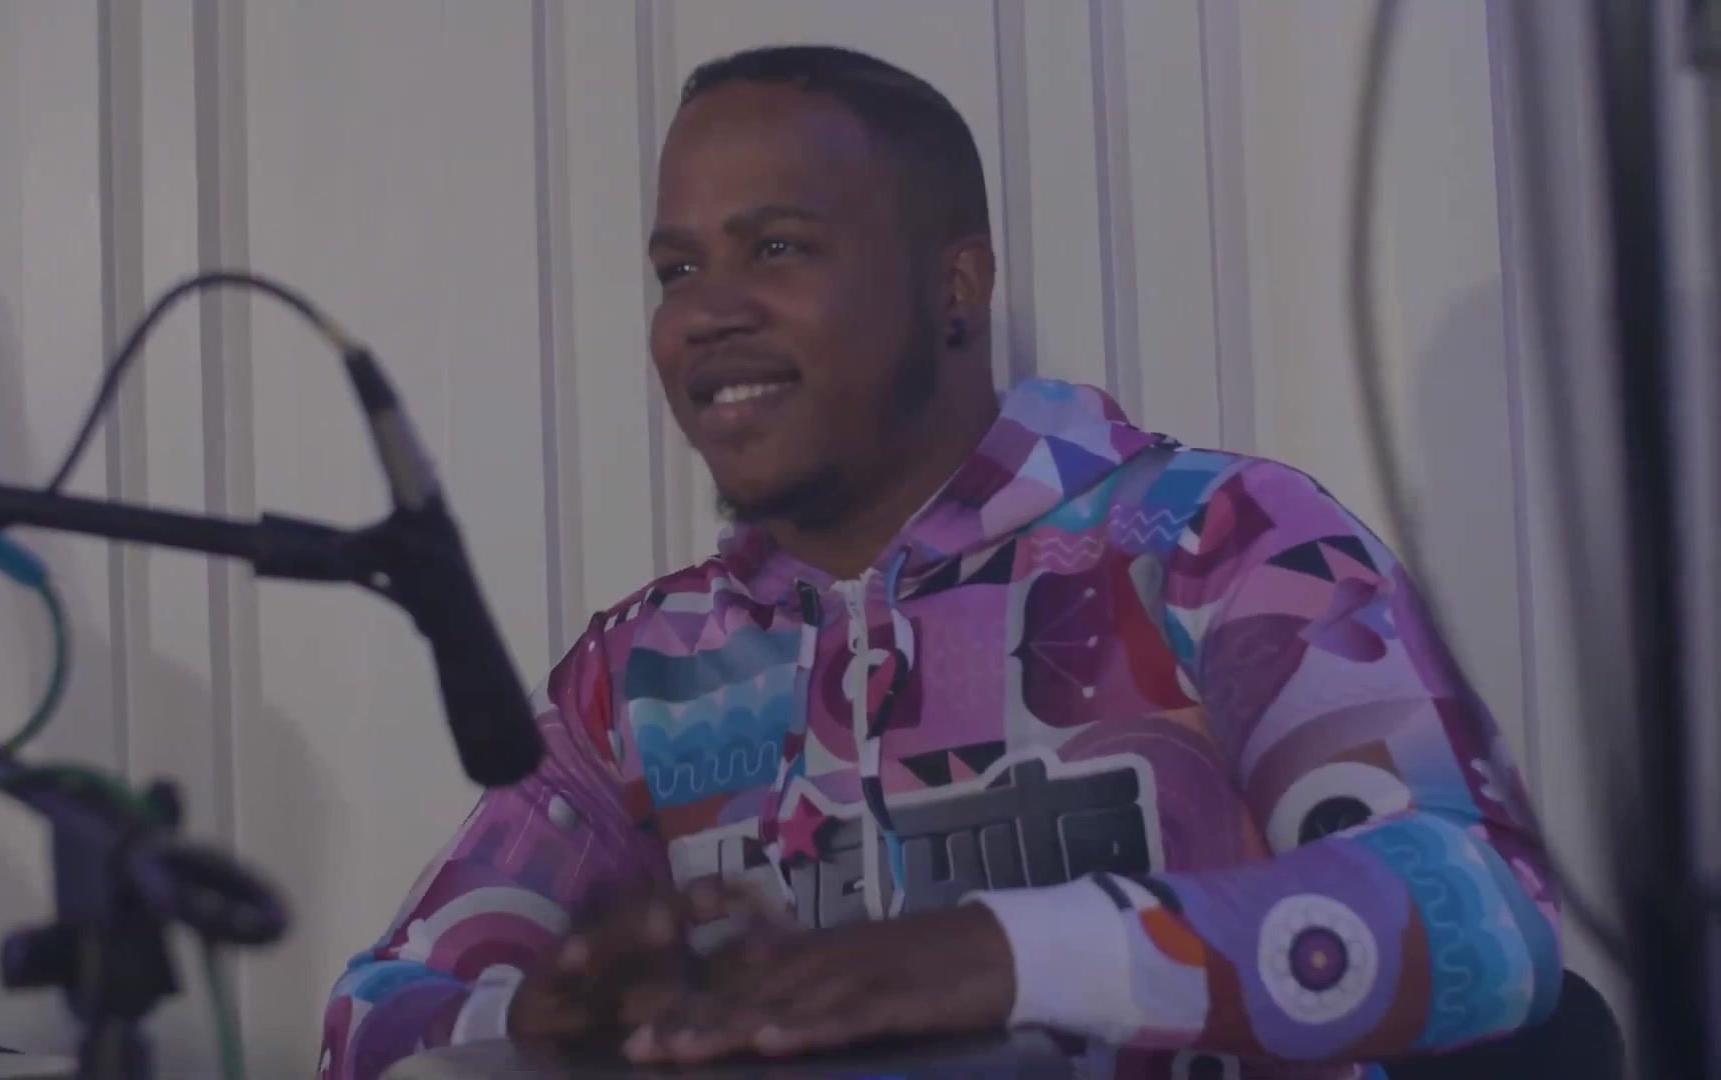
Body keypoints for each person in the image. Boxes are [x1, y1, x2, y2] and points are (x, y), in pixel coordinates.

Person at [319, 45, 1560, 1080]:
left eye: (777, 248)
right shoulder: (643, 674)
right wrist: (543, 1022)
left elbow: (1482, 916)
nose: (704, 312)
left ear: (956, 286)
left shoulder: (1211, 542)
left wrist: (994, 955)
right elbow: (370, 1018)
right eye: (678, 269)